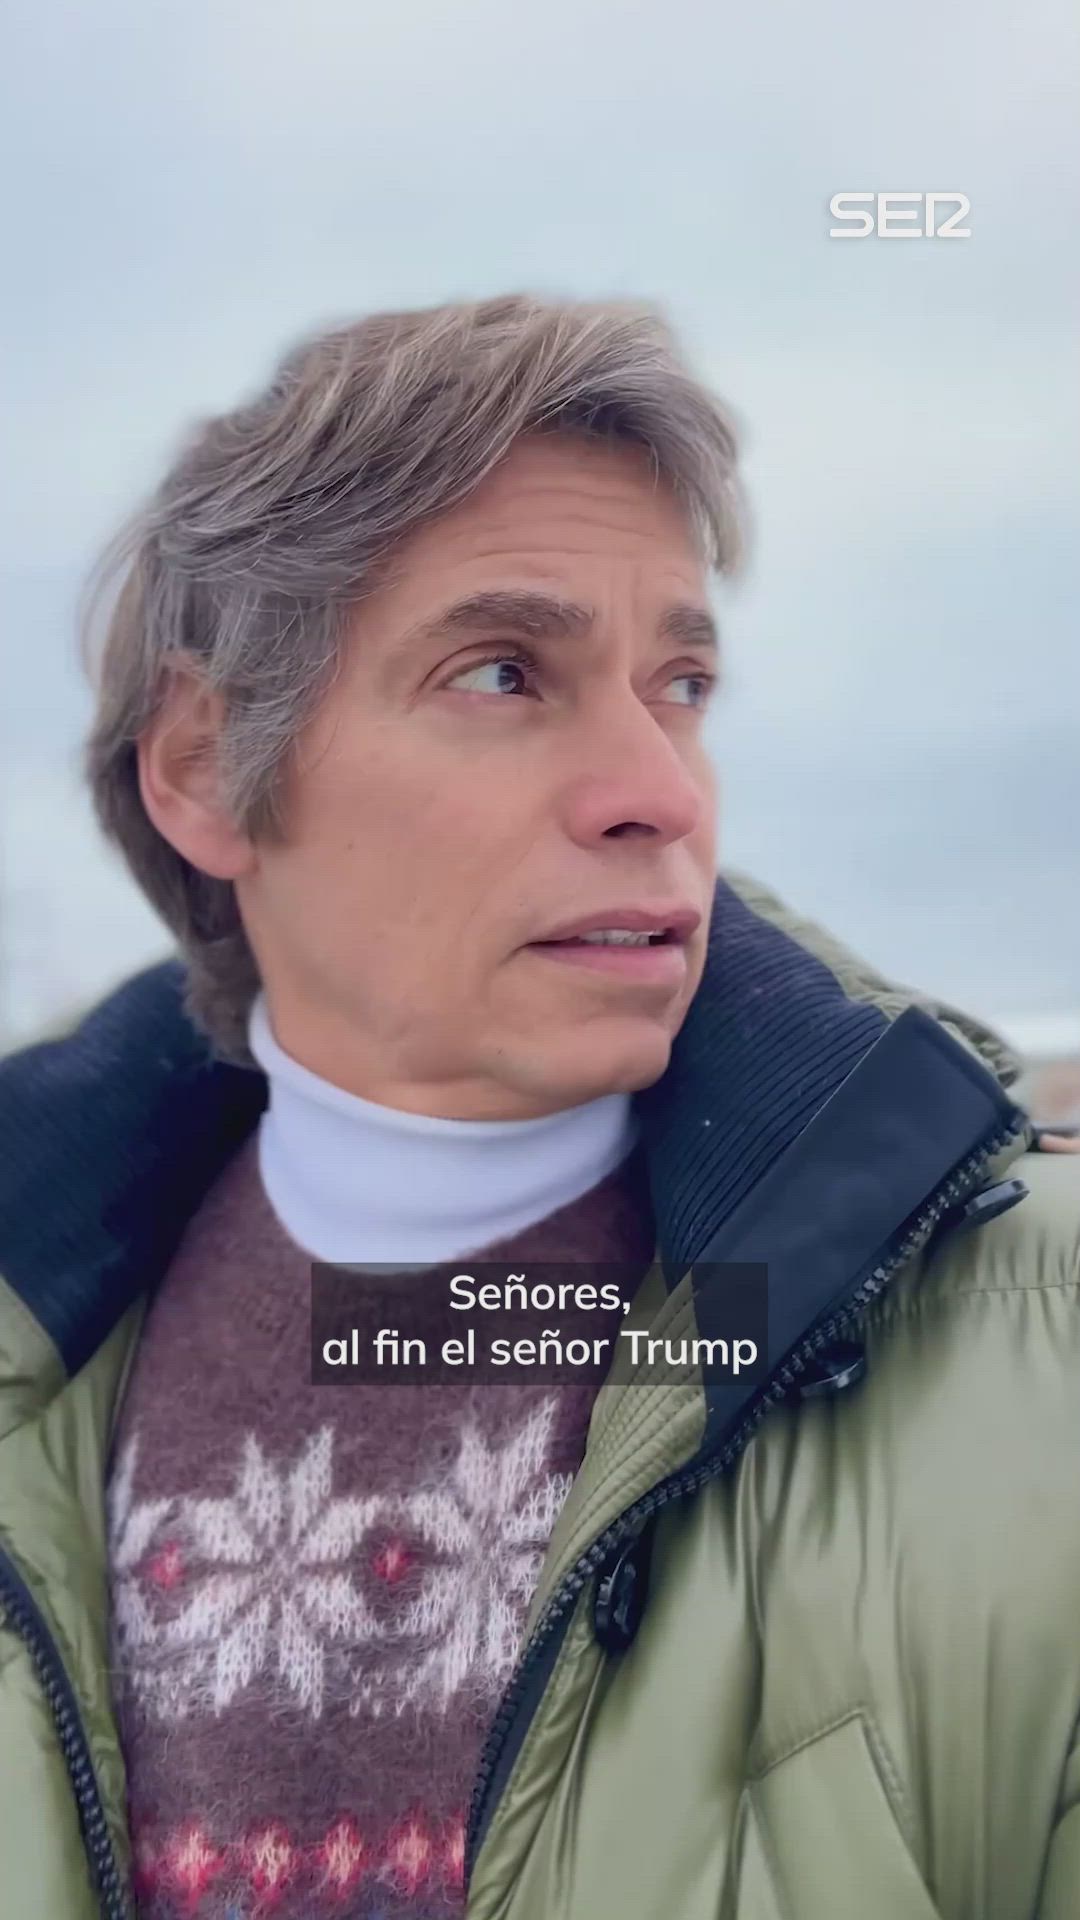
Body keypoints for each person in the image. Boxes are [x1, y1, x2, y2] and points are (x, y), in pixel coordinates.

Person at [0, 295, 1077, 1920]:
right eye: (505, 672)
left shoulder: (1043, 1347)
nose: (661, 791)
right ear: (209, 771)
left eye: (682, 683)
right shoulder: (43, 1353)